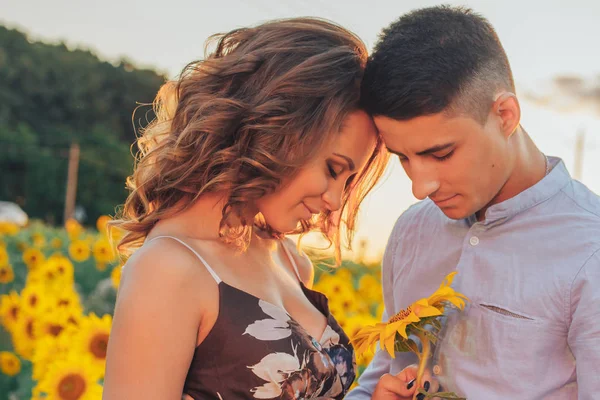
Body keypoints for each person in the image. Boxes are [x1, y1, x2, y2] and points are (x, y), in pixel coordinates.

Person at [102, 18, 389, 400]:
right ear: (280, 129)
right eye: (333, 169)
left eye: (347, 181)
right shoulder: (168, 269)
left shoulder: (289, 259)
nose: (334, 201)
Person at [347, 5, 600, 400]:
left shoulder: (591, 249)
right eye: (403, 158)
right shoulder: (411, 231)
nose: (419, 186)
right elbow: (380, 371)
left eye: (441, 153)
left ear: (505, 114)